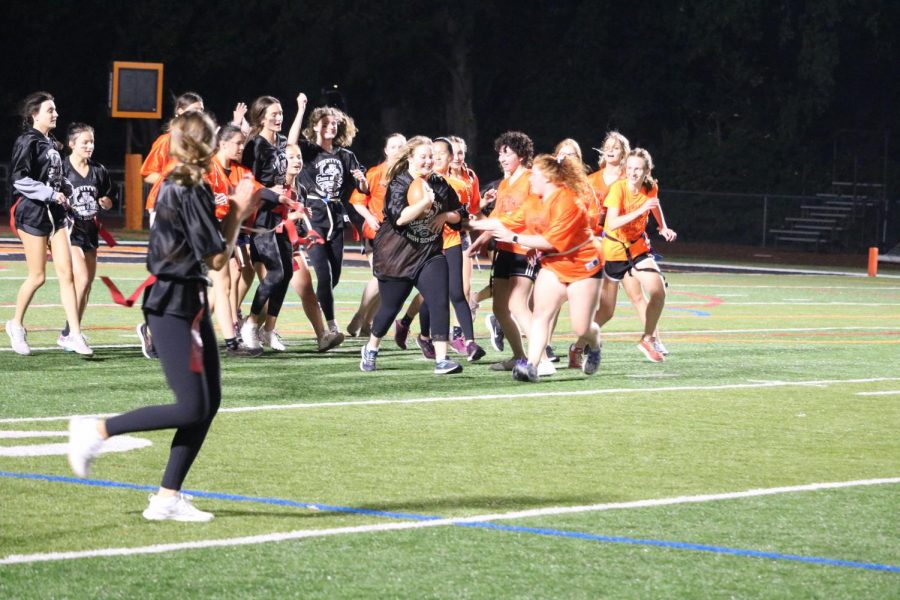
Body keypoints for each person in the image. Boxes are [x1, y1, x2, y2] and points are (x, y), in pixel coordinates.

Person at [67, 111, 257, 521]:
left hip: (187, 301)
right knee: (192, 407)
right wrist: (239, 212)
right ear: (202, 145)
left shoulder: (188, 183)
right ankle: (97, 431)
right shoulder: (187, 187)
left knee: (208, 403)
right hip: (172, 304)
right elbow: (218, 258)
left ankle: (167, 498)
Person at [472, 153, 603, 382]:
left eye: (535, 175)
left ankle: (594, 341)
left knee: (581, 327)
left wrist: (513, 238)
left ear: (549, 178)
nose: (530, 179)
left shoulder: (569, 201)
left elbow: (550, 242)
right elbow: (506, 221)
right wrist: (469, 222)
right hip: (554, 265)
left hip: (582, 266)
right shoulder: (534, 201)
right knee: (541, 315)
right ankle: (531, 366)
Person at [360, 136, 466, 375]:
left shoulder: (439, 183)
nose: (429, 161)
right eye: (423, 157)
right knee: (390, 307)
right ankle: (371, 347)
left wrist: (445, 217)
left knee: (439, 300)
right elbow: (399, 218)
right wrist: (425, 203)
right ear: (410, 158)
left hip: (429, 253)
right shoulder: (399, 183)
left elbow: (460, 212)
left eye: (432, 156)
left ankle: (441, 359)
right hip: (397, 256)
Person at [6, 91, 92, 356]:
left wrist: (66, 192)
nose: (56, 114)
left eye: (55, 109)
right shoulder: (27, 141)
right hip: (32, 213)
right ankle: (16, 324)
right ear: (35, 114)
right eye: (50, 110)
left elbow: (58, 177)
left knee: (68, 275)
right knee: (38, 276)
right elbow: (19, 179)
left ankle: (74, 335)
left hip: (56, 214)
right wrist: (50, 193)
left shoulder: (51, 143)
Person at [468, 131, 550, 373]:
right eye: (500, 154)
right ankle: (519, 356)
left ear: (522, 155)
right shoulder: (505, 183)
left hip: (523, 248)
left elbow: (525, 216)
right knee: (500, 309)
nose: (501, 159)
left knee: (518, 304)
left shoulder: (530, 180)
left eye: (507, 153)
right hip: (503, 248)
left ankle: (542, 360)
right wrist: (479, 242)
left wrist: (479, 226)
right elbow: (496, 218)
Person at [287, 96, 368, 337]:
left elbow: (362, 189)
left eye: (333, 124)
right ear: (315, 127)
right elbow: (290, 143)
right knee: (324, 273)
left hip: (336, 214)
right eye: (324, 124)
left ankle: (317, 303)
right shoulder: (308, 151)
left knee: (334, 275)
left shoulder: (346, 155)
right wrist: (300, 110)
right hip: (313, 215)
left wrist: (362, 182)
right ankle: (331, 326)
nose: (330, 127)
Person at [590, 148, 676, 362]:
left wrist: (662, 227)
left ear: (647, 170)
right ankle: (581, 341)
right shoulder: (618, 189)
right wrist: (640, 210)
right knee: (607, 311)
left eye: (638, 169)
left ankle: (649, 338)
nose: (632, 173)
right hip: (615, 250)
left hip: (637, 248)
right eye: (629, 168)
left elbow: (654, 205)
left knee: (657, 290)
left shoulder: (650, 187)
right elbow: (613, 223)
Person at [137, 91, 205, 360]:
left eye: (202, 110)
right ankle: (152, 329)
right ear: (179, 113)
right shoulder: (167, 141)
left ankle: (176, 330)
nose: (199, 115)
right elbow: (147, 174)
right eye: (194, 110)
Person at [411, 137, 485, 362]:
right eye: (432, 153)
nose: (435, 157)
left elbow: (463, 216)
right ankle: (423, 335)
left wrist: (446, 215)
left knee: (457, 292)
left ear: (450, 157)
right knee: (433, 295)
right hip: (429, 243)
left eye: (440, 153)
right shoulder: (420, 181)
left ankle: (470, 342)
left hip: (452, 240)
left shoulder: (461, 185)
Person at [238, 95, 297, 352]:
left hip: (282, 213)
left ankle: (269, 329)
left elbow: (290, 163)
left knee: (287, 273)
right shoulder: (255, 145)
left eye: (281, 113)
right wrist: (273, 193)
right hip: (261, 217)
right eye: (273, 113)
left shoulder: (283, 142)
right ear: (261, 117)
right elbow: (248, 181)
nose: (278, 117)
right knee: (275, 272)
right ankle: (250, 325)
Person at [205, 124, 269, 357]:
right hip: (201, 234)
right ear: (222, 144)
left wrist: (285, 199)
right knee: (218, 284)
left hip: (223, 233)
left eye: (243, 143)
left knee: (222, 285)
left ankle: (228, 338)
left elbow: (261, 191)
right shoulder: (206, 169)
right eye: (238, 143)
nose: (243, 147)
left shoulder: (240, 171)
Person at [283, 143, 345, 352]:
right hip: (269, 245)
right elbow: (268, 219)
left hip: (292, 246)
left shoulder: (300, 188)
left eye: (299, 157)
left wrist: (303, 232)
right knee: (272, 289)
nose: (297, 161)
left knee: (308, 289)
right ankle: (255, 326)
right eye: (292, 157)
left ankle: (324, 335)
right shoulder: (274, 186)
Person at [59, 123, 115, 346]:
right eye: (85, 142)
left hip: (91, 232)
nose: (90, 146)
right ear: (72, 144)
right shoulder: (62, 169)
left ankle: (68, 332)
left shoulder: (99, 170)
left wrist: (107, 202)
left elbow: (109, 199)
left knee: (87, 284)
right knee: (80, 279)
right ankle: (73, 334)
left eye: (92, 141)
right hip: (68, 232)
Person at [347, 132, 407, 338]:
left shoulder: (410, 174)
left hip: (400, 235)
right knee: (380, 276)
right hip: (377, 233)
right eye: (394, 146)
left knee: (388, 282)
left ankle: (366, 325)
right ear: (386, 150)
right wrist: (369, 217)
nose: (398, 150)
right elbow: (357, 201)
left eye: (402, 146)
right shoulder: (375, 173)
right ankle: (359, 316)